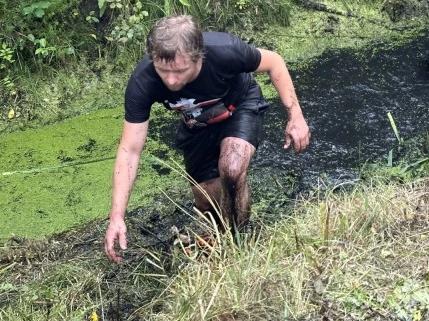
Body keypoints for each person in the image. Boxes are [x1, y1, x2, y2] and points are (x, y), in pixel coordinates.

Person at [104, 14, 310, 263]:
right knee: (207, 202)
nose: (170, 80)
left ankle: (238, 250)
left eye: (180, 71)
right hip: (197, 125)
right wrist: (117, 216)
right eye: (163, 71)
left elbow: (274, 62)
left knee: (231, 169)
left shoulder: (226, 50)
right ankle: (224, 233)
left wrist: (295, 115)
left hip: (239, 105)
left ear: (198, 56)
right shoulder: (143, 81)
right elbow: (130, 151)